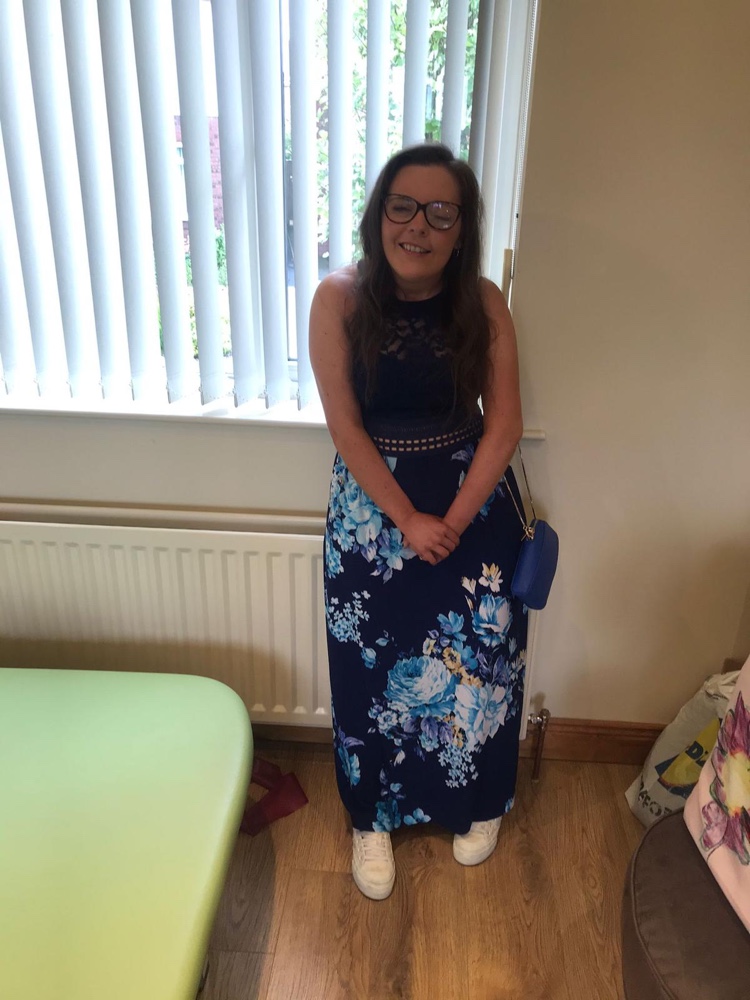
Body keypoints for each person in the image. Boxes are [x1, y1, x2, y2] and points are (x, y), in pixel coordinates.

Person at [309, 143, 528, 901]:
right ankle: (371, 819)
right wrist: (407, 519)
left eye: (441, 212)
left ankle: (479, 801)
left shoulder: (484, 301)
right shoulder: (338, 299)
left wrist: (453, 523)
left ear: (462, 228)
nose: (418, 227)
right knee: (368, 670)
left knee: (482, 664)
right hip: (373, 516)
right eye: (403, 207)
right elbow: (345, 426)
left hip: (474, 509)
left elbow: (504, 424)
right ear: (379, 215)